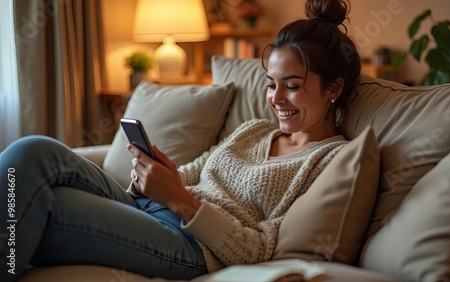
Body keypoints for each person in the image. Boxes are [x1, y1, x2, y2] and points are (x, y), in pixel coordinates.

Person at [0, 0, 361, 280]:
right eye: (271, 84)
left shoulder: (329, 159)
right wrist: (155, 177)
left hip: (190, 245)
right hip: (150, 209)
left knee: (46, 206)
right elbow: (190, 173)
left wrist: (182, 201)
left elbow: (260, 249)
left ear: (333, 89)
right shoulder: (254, 130)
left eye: (292, 86)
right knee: (33, 150)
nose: (276, 98)